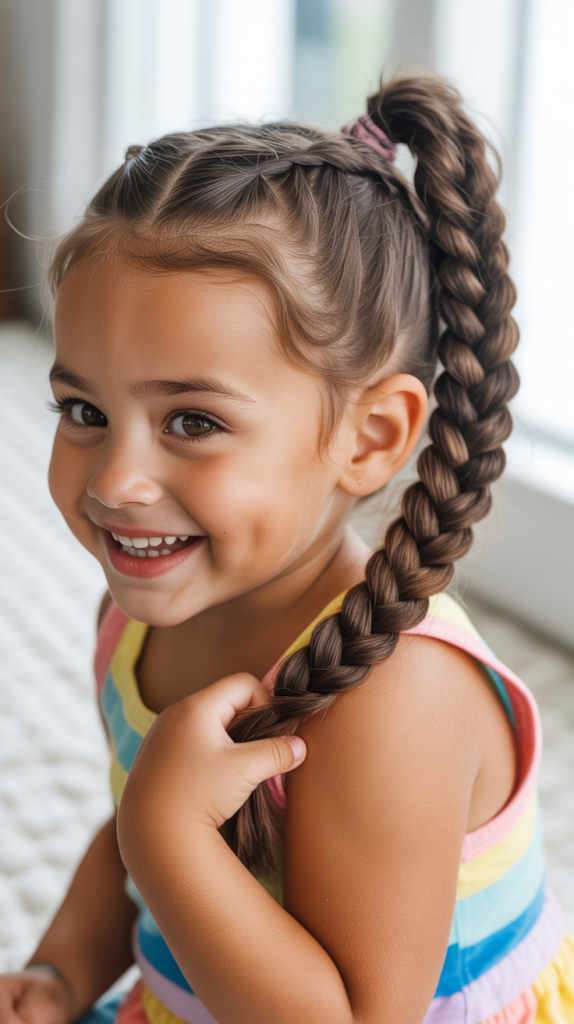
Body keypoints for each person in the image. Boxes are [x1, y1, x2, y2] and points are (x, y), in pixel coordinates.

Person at [2, 74, 573, 1024]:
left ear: (371, 437)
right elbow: (138, 839)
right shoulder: (139, 615)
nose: (115, 481)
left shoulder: (394, 700)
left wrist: (168, 835)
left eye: (192, 420)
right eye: (84, 410)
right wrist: (60, 975)